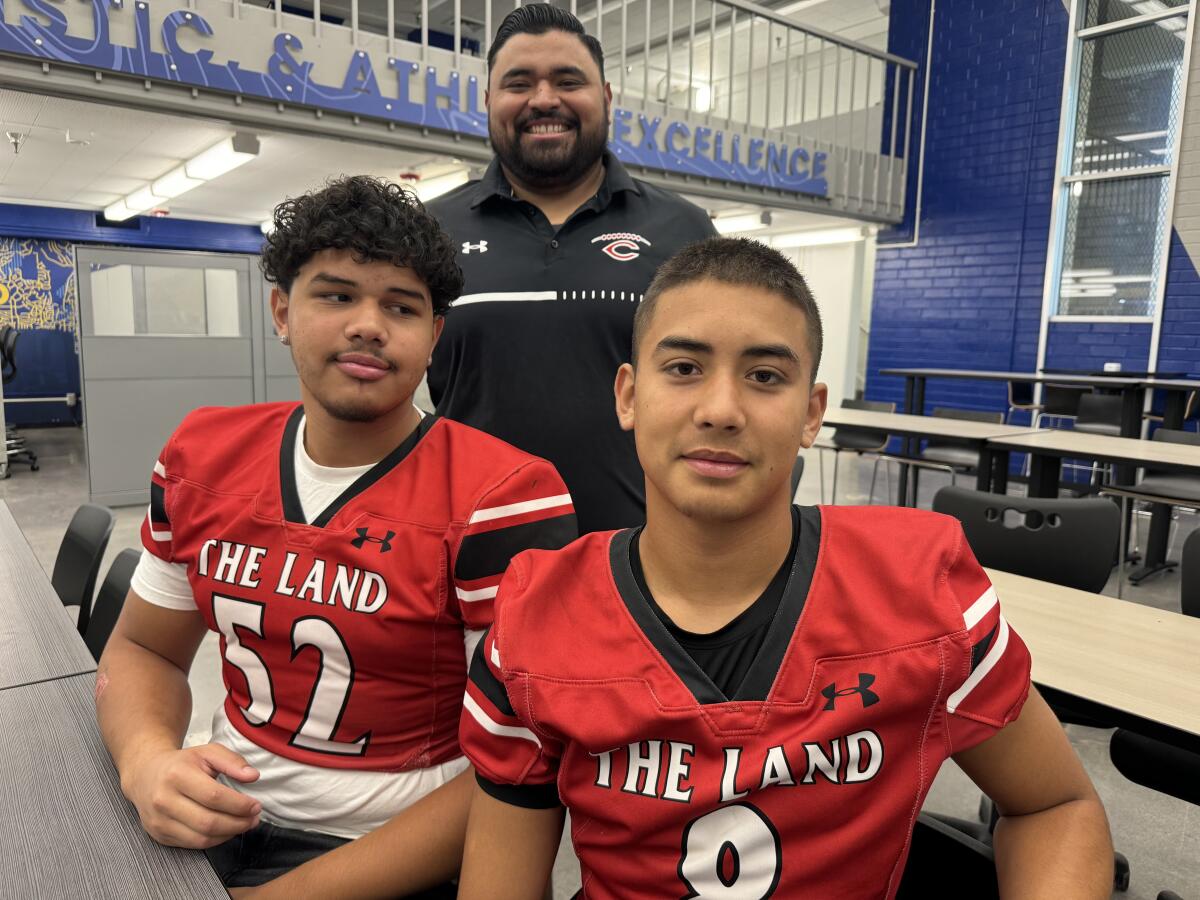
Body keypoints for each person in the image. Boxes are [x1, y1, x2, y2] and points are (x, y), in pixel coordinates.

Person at [456, 237, 1114, 898]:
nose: (721, 410)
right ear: (628, 396)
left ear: (811, 413)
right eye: (683, 368)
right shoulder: (534, 619)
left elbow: (1054, 804)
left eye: (765, 376)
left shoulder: (921, 590)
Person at [95, 176, 576, 897]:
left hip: (394, 853)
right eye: (337, 294)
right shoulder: (201, 455)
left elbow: (520, 768)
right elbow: (143, 649)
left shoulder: (504, 497)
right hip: (222, 816)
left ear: (434, 335)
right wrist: (148, 763)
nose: (368, 325)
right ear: (282, 312)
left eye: (401, 306)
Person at [427, 3, 717, 535]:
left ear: (605, 98)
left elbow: (716, 386)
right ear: (489, 102)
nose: (544, 99)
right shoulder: (430, 228)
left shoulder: (684, 228)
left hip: (638, 560)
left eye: (568, 80)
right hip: (463, 555)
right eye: (519, 83)